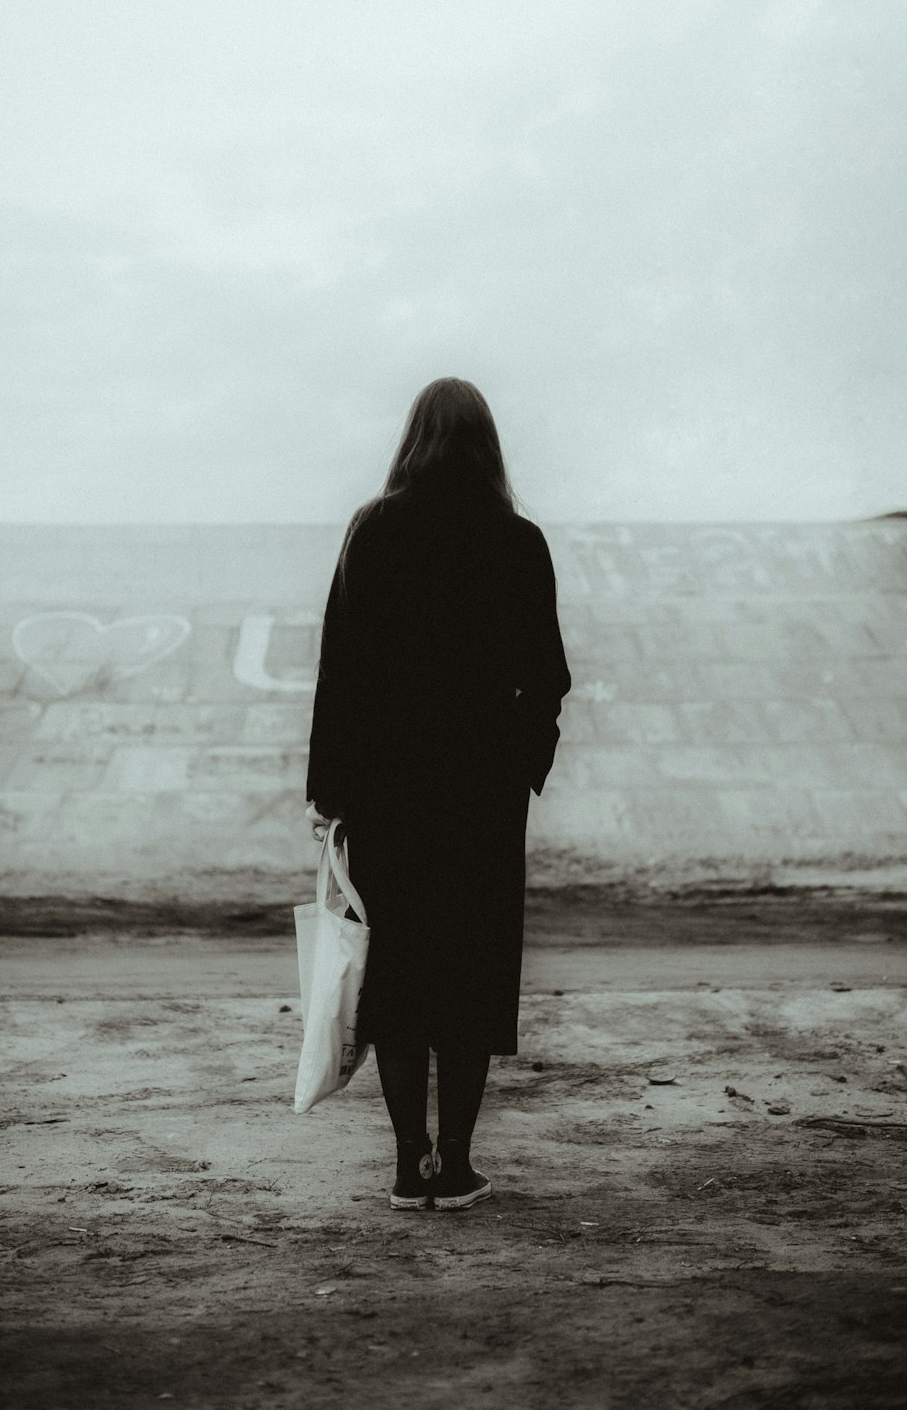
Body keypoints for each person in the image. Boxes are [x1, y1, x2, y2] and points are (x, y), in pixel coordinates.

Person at [304, 377, 572, 1211]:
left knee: (400, 979)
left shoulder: (373, 530)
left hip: (389, 794)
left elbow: (339, 671)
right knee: (469, 974)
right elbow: (550, 678)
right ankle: (454, 1164)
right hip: (482, 800)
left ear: (412, 438)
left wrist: (331, 791)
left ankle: (404, 1163)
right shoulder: (518, 540)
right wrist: (522, 763)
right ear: (487, 445)